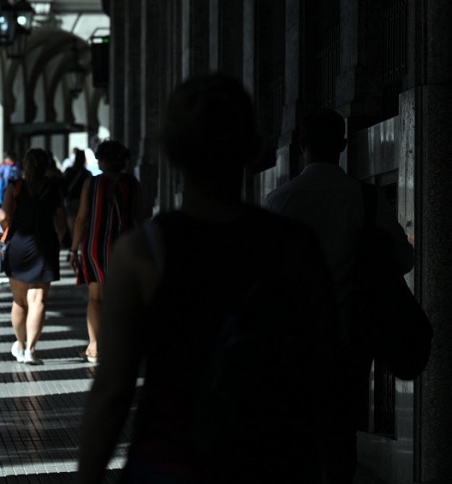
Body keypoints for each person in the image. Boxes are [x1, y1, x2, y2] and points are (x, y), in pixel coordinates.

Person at [76, 75, 338, 483]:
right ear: (252, 148)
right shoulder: (294, 245)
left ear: (171, 152)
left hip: (169, 463)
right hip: (272, 465)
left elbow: (113, 390)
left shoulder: (141, 252)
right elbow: (323, 370)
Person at [265, 108, 414, 484]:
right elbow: (402, 258)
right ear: (344, 146)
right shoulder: (363, 198)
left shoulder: (280, 200)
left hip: (294, 343)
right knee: (340, 435)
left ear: (302, 146)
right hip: (351, 341)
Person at [68, 140, 141, 363]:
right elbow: (140, 216)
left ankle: (95, 346)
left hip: (96, 245)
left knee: (96, 297)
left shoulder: (93, 183)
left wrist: (73, 249)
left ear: (104, 160)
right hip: (126, 245)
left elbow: (81, 218)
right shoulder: (131, 183)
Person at [0, 148, 67, 365]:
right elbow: (61, 222)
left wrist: (8, 229)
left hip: (19, 245)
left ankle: (19, 343)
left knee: (19, 301)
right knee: (38, 300)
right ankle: (31, 349)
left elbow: (3, 216)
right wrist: (56, 238)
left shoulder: (16, 186)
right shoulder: (54, 188)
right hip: (45, 245)